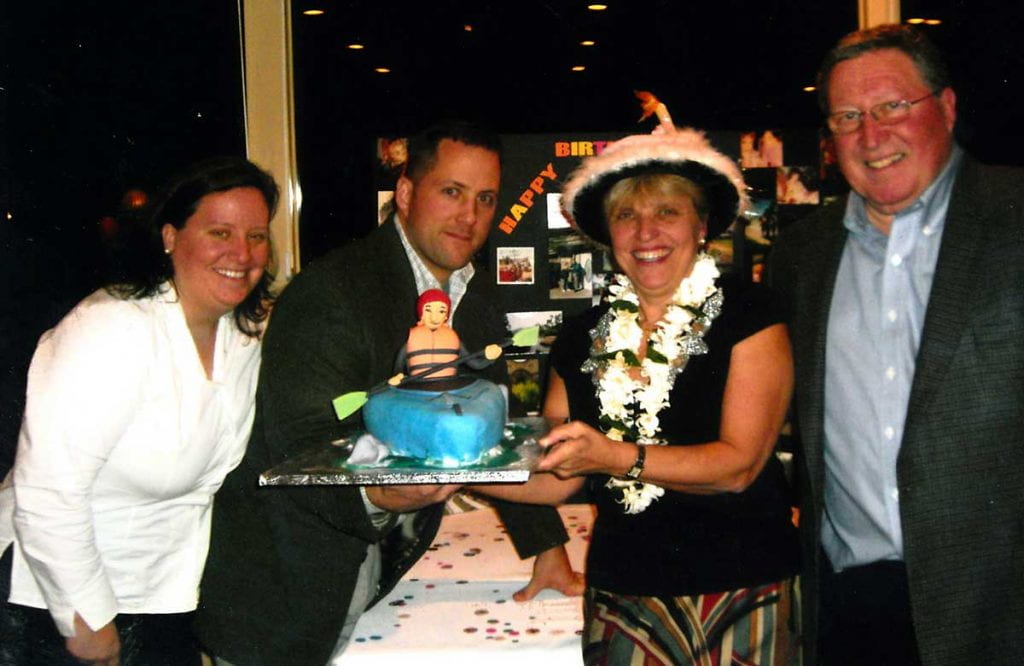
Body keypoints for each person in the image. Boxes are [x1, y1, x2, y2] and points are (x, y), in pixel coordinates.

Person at [196, 120, 580, 665]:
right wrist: (378, 495)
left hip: (375, 564)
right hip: (286, 585)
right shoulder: (332, 293)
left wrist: (547, 547)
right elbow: (298, 444)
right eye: (451, 192)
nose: (469, 216)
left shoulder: (471, 294)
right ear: (405, 193)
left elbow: (491, 435)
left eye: (485, 198)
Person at [478, 126, 799, 664]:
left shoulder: (751, 314)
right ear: (608, 233)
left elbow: (738, 467)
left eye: (666, 212)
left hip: (745, 584)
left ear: (701, 225)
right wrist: (446, 477)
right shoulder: (582, 335)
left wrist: (613, 456)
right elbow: (558, 478)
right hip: (625, 588)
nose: (645, 232)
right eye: (627, 216)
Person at [769, 24, 1024, 665]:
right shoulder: (803, 254)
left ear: (946, 107)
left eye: (891, 108)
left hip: (1001, 606)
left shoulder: (1015, 215)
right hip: (851, 605)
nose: (871, 136)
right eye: (848, 116)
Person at [0, 156, 279, 665]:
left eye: (257, 236)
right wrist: (87, 619)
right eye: (220, 232)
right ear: (170, 236)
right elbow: (46, 493)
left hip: (162, 597)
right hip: (54, 602)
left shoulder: (242, 334)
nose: (242, 252)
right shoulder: (111, 329)